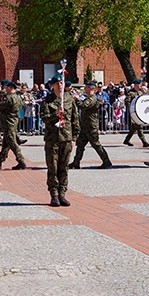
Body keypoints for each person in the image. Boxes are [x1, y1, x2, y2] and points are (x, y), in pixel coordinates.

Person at [41, 74, 79, 207]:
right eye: (57, 83)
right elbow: (44, 118)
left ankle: (62, 193)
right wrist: (55, 114)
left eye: (62, 83)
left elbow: (75, 121)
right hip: (52, 139)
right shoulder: (48, 101)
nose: (60, 85)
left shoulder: (69, 99)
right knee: (53, 167)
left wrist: (74, 139)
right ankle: (54, 195)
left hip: (66, 138)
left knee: (64, 168)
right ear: (52, 85)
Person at [69, 81, 112, 170]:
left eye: (87, 87)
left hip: (91, 127)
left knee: (96, 144)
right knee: (80, 144)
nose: (85, 89)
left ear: (91, 88)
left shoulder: (92, 99)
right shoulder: (88, 98)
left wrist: (76, 99)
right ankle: (76, 162)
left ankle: (106, 161)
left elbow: (83, 106)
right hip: (85, 126)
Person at [0, 80, 27, 170]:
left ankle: (21, 160)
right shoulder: (18, 97)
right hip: (13, 121)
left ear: (10, 88)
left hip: (8, 121)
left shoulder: (10, 98)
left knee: (12, 142)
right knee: (6, 144)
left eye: (6, 88)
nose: (5, 90)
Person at [123, 78, 149, 147]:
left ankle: (126, 140)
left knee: (134, 128)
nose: (139, 86)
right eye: (138, 84)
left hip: (140, 113)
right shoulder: (131, 93)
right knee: (139, 126)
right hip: (134, 114)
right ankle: (144, 142)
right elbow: (127, 103)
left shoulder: (140, 92)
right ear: (135, 85)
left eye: (140, 84)